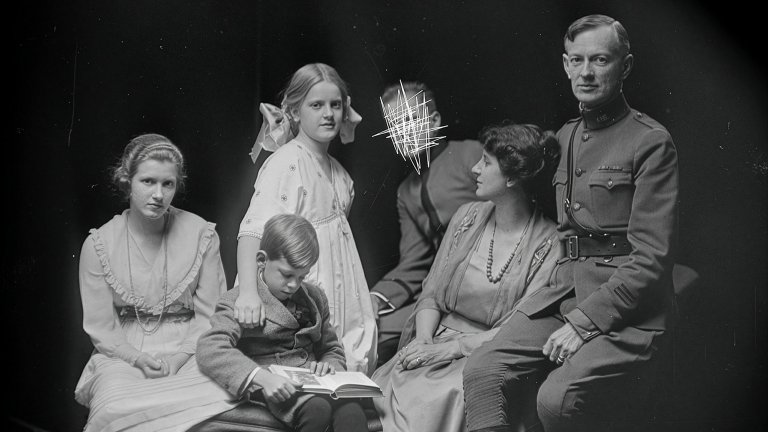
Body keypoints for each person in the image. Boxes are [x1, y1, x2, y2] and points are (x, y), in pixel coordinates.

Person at [463, 14, 679, 432]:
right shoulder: (564, 136)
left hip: (629, 307)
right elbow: (512, 163)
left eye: (599, 60)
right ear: (565, 65)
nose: (586, 72)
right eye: (576, 60)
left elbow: (653, 257)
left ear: (625, 67)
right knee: (483, 368)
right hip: (566, 290)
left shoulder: (650, 142)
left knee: (557, 400)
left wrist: (584, 323)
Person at [371, 123, 562, 432]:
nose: (475, 168)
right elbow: (431, 293)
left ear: (513, 177)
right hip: (432, 339)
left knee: (442, 397)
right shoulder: (467, 217)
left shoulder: (550, 243)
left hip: (484, 354)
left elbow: (518, 329)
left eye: (486, 162)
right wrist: (422, 341)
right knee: (379, 395)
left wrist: (451, 350)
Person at [74, 134, 236, 431]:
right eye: (148, 181)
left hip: (193, 346)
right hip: (124, 351)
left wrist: (180, 357)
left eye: (168, 184)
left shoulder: (202, 234)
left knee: (219, 401)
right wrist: (135, 358)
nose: (158, 194)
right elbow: (101, 326)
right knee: (115, 406)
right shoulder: (99, 244)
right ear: (127, 181)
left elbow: (210, 314)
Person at [235, 63, 376, 375]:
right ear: (296, 113)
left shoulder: (338, 171)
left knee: (344, 367)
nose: (328, 114)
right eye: (316, 105)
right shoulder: (285, 164)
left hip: (340, 290)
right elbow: (252, 231)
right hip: (304, 288)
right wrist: (247, 293)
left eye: (335, 105)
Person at [197, 214, 368, 432]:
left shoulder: (315, 297)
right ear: (261, 260)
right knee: (317, 409)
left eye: (302, 277)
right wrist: (262, 378)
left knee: (352, 409)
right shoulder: (239, 301)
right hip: (272, 384)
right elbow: (209, 349)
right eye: (287, 275)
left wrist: (329, 366)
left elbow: (332, 348)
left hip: (316, 381)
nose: (293, 285)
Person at [369, 82, 483, 364]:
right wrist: (375, 298)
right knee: (374, 331)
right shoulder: (406, 192)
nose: (403, 132)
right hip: (440, 293)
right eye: (396, 125)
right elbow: (415, 261)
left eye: (411, 120)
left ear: (434, 121)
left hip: (488, 286)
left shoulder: (471, 154)